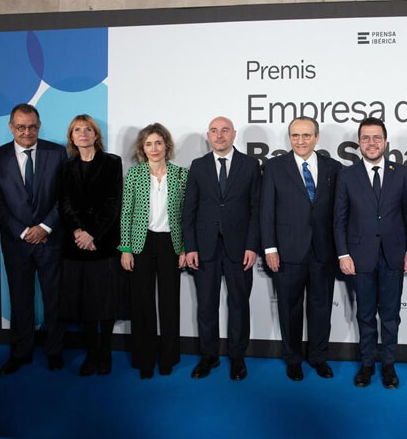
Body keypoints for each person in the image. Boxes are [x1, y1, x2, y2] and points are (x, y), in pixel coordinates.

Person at [334, 117, 407, 389]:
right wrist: (343, 254)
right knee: (366, 314)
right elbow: (340, 219)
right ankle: (368, 363)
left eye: (377, 137)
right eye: (366, 138)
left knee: (391, 314)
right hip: (360, 256)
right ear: (359, 143)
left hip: (393, 255)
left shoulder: (401, 173)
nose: (372, 143)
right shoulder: (347, 175)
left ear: (385, 141)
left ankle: (389, 365)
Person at [0, 103, 67, 374]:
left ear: (39, 125)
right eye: (21, 127)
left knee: (54, 299)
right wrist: (23, 231)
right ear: (11, 127)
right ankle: (21, 352)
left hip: (50, 240)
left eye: (32, 126)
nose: (27, 132)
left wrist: (45, 227)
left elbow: (64, 197)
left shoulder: (56, 153)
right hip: (16, 242)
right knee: (20, 299)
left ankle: (55, 351)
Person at [260, 116, 343, 381]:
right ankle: (293, 358)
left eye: (306, 135)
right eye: (295, 136)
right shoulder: (274, 167)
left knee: (321, 308)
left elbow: (339, 213)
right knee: (289, 308)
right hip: (287, 251)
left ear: (316, 137)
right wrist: (270, 248)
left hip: (323, 251)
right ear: (289, 138)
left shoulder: (334, 168)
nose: (301, 141)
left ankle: (319, 356)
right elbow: (266, 212)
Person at [183, 116, 260, 381]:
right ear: (208, 135)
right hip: (205, 249)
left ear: (234, 134)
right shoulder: (198, 166)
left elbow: (256, 210)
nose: (219, 135)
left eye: (224, 130)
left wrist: (252, 246)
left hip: (240, 250)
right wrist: (190, 246)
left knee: (239, 303)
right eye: (214, 131)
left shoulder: (250, 165)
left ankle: (237, 357)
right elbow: (189, 210)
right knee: (206, 305)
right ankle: (209, 356)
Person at [119, 123, 188, 379]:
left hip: (171, 244)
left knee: (169, 303)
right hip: (141, 243)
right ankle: (145, 360)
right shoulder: (135, 175)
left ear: (166, 146)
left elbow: (186, 215)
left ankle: (168, 358)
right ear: (142, 148)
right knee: (142, 304)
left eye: (158, 142)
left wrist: (184, 248)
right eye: (149, 144)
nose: (154, 148)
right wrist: (125, 249)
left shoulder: (182, 174)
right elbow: (126, 214)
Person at [58, 114, 123, 377]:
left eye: (87, 129)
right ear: (71, 137)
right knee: (84, 304)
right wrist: (78, 231)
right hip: (75, 245)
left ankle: (105, 353)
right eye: (77, 130)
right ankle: (91, 353)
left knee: (105, 303)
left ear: (96, 135)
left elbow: (112, 203)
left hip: (103, 243)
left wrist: (92, 234)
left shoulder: (111, 163)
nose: (82, 133)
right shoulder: (66, 167)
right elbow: (63, 202)